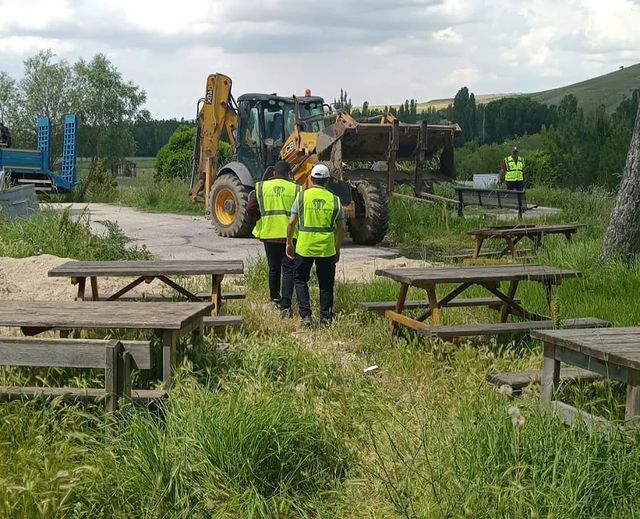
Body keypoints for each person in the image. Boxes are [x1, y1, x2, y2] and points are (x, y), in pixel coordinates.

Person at [286, 163, 345, 327]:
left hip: (304, 247)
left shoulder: (302, 197)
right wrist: (337, 248)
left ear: (311, 179)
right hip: (327, 249)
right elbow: (341, 228)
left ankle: (306, 316)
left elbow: (291, 223)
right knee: (326, 284)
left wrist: (289, 242)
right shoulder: (335, 200)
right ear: (327, 181)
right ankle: (325, 319)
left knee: (300, 280)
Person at [249, 160, 300, 316]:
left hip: (269, 234)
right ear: (289, 173)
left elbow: (250, 208)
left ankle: (274, 300)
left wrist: (260, 218)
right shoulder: (296, 189)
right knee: (289, 271)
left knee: (273, 269)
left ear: (273, 173)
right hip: (289, 237)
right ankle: (286, 307)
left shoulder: (261, 187)